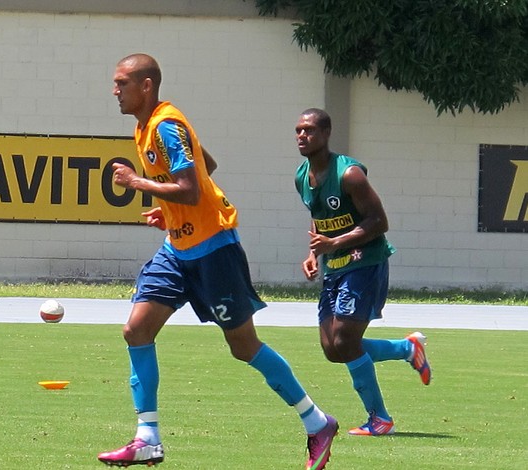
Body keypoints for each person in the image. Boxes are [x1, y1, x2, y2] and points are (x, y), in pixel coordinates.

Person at [97, 54, 338, 469]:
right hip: (178, 248)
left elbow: (191, 189)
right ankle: (147, 438)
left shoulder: (166, 126)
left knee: (243, 346)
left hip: (214, 250)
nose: (114, 90)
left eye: (122, 83)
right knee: (136, 330)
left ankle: (317, 422)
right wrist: (170, 213)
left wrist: (138, 184)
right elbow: (206, 166)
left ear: (147, 85)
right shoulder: (147, 126)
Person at [293, 108, 431, 436]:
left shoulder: (349, 174)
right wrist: (314, 252)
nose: (302, 136)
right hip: (334, 267)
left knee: (345, 339)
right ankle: (407, 349)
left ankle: (379, 418)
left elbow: (380, 222)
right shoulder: (301, 176)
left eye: (309, 130)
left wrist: (335, 242)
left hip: (365, 262)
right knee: (333, 349)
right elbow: (319, 216)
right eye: (298, 130)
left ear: (326, 135)